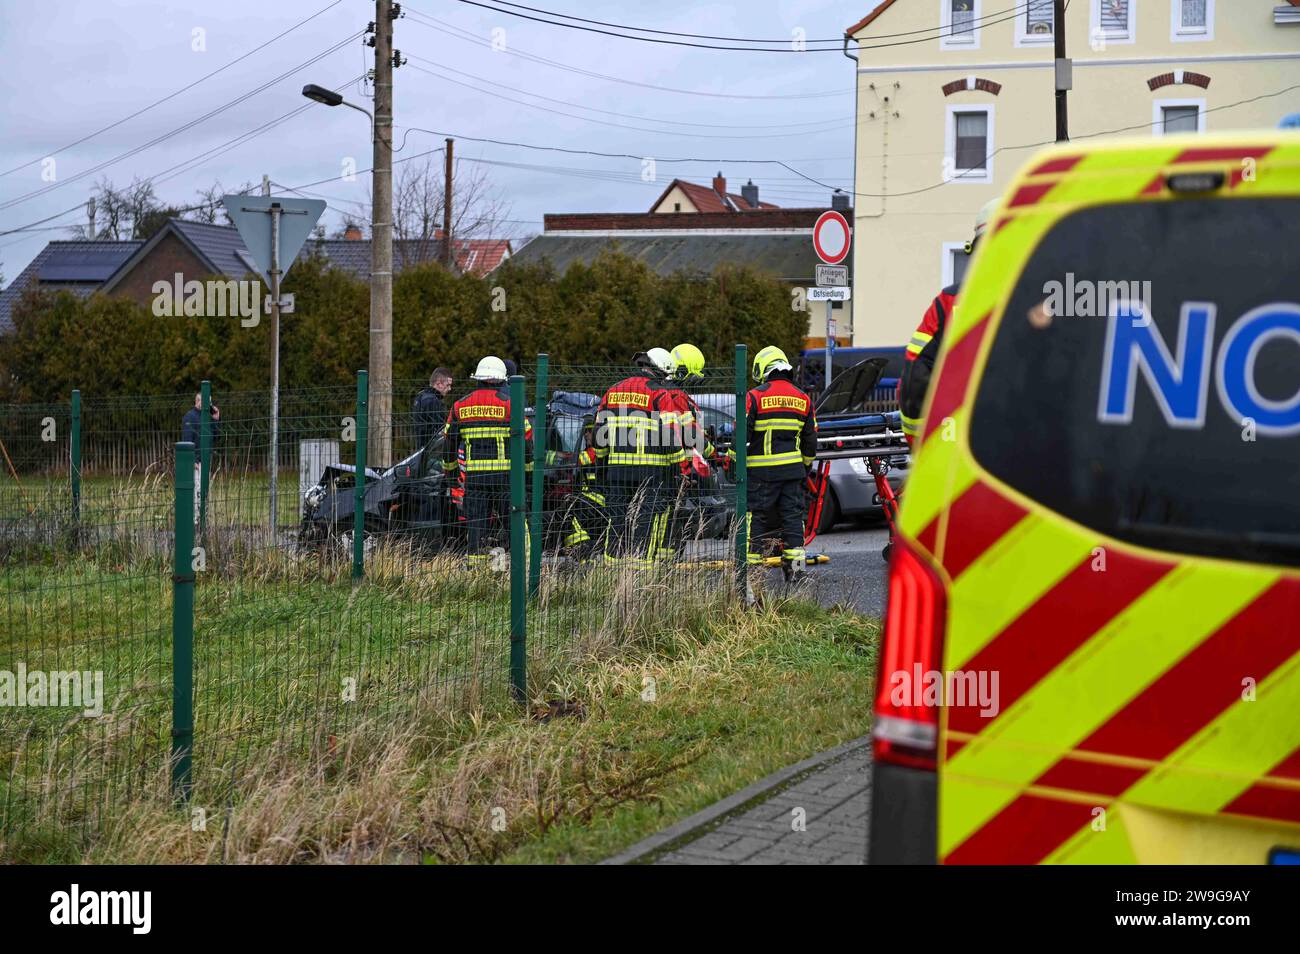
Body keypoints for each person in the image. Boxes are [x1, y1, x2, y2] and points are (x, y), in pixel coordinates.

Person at [898, 198, 997, 442]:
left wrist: (919, 443)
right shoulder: (1045, 301)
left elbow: (915, 375)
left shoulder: (949, 302)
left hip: (958, 445)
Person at [739, 346, 817, 581]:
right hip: (793, 473)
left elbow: (741, 435)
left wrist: (734, 462)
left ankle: (751, 574)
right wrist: (804, 467)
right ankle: (796, 572)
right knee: (793, 519)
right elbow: (810, 441)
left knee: (758, 518)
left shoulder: (754, 397)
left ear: (764, 368)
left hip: (761, 473)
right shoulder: (803, 398)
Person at [443, 356, 530, 564]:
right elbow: (527, 442)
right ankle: (519, 566)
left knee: (476, 528)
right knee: (513, 524)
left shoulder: (459, 406)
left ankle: (476, 573)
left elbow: (448, 447)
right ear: (502, 380)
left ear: (478, 379)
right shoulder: (510, 404)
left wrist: (452, 474)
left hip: (475, 479)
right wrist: (525, 474)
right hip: (505, 479)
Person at [595, 349, 677, 566]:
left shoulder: (613, 391)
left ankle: (611, 570)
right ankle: (641, 572)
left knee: (617, 522)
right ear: (661, 371)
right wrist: (680, 466)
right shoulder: (659, 394)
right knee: (645, 523)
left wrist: (602, 466)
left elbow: (598, 434)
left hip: (617, 469)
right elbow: (670, 434)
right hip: (651, 471)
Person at [181, 392, 220, 525]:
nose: (209, 405)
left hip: (206, 460)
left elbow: (215, 437)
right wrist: (192, 460)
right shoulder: (190, 417)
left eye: (209, 402)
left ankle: (203, 521)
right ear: (197, 402)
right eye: (205, 402)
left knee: (204, 492)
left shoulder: (207, 417)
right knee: (196, 492)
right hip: (196, 463)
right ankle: (195, 523)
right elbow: (187, 439)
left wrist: (215, 419)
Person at [413, 367, 453, 452]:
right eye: (448, 385)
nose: (450, 389)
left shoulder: (420, 396)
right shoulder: (432, 401)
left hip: (422, 448)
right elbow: (441, 429)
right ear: (438, 383)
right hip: (432, 451)